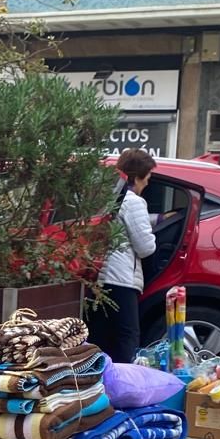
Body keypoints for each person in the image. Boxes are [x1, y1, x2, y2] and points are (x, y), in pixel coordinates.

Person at [87, 148, 157, 363]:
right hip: (121, 279)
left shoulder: (104, 197)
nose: (147, 184)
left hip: (97, 278)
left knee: (98, 337)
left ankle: (94, 383)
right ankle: (126, 385)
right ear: (136, 177)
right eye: (147, 178)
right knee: (127, 336)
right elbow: (146, 247)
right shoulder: (133, 201)